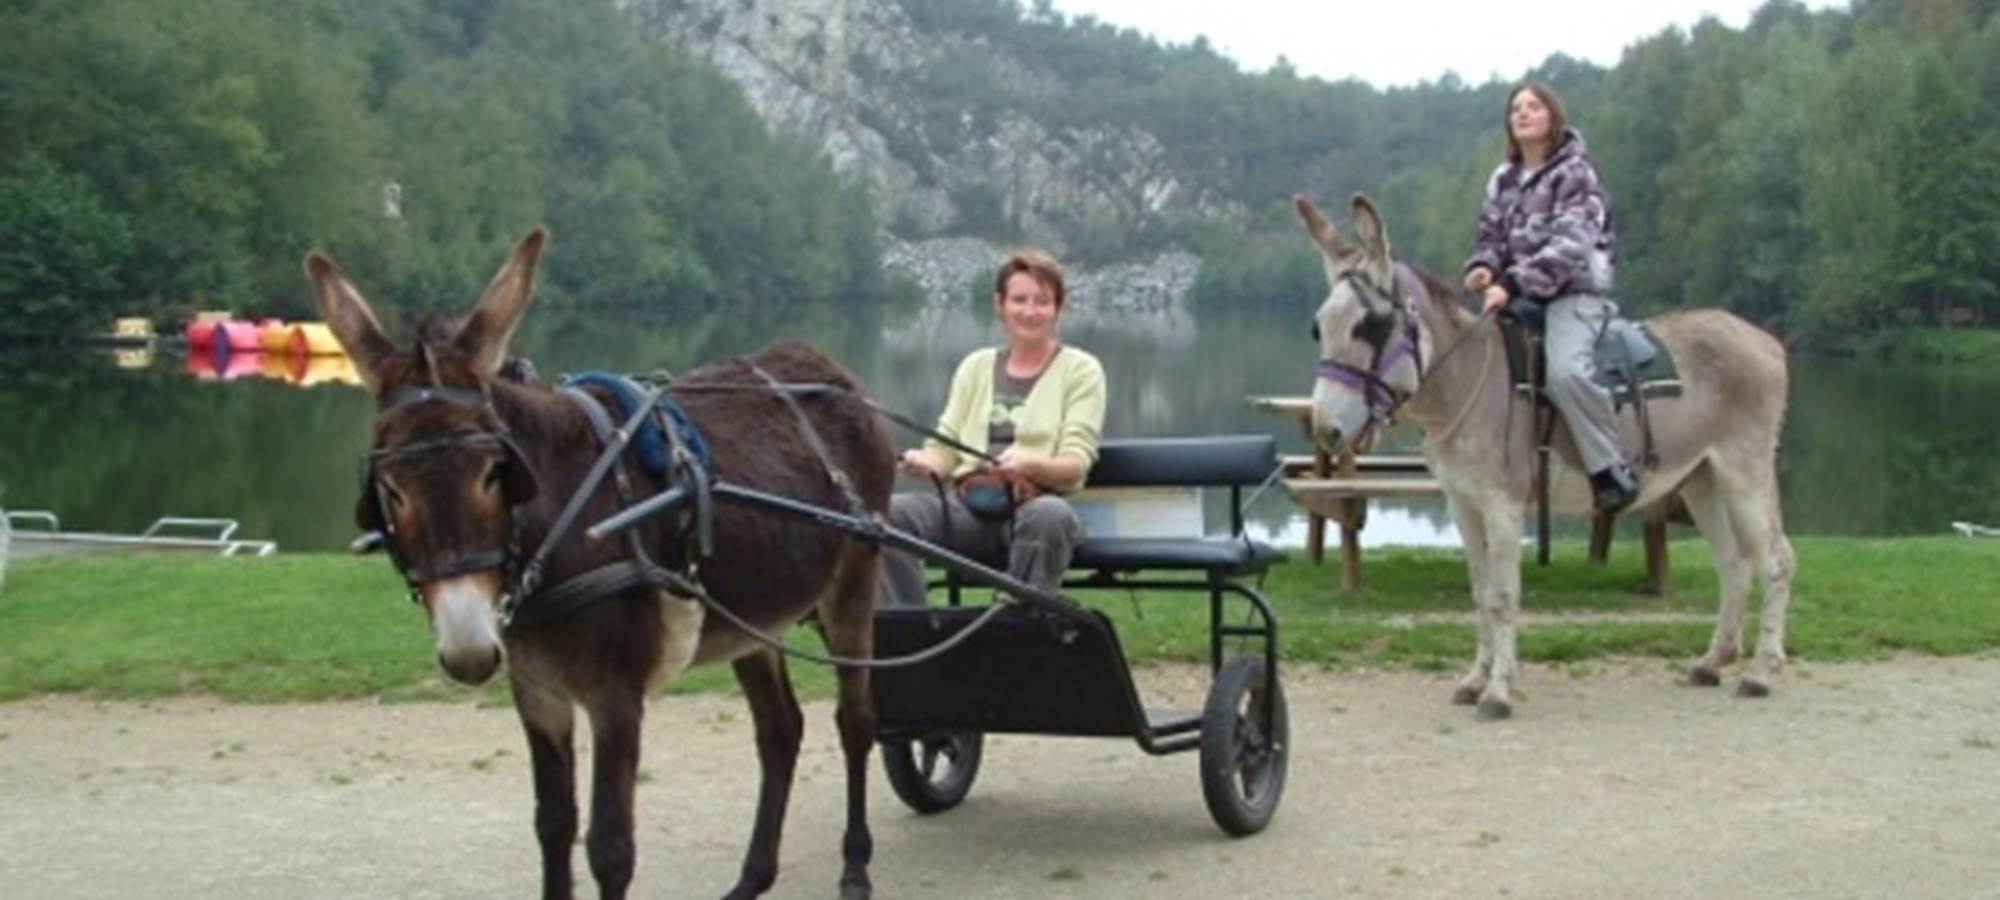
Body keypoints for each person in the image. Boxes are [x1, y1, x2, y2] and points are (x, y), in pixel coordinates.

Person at [878, 249, 1107, 608]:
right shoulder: (975, 366)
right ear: (1000, 305)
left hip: (1035, 509)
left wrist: (1030, 465)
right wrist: (927, 462)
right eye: (1019, 300)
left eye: (1042, 301)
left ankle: (1017, 626)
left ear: (1058, 308)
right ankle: (907, 630)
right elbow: (946, 448)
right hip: (967, 509)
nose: (1030, 312)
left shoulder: (1082, 371)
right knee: (887, 514)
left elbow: (1075, 466)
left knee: (1051, 517)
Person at [1463, 81, 1638, 512]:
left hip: (1574, 293)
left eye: (1533, 106)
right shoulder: (1502, 178)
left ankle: (1608, 468)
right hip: (1516, 294)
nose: (1522, 113)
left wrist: (1512, 283)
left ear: (1552, 117)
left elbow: (1571, 246)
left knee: (1565, 372)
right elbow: (1490, 236)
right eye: (1515, 108)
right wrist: (1483, 267)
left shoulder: (1575, 173)